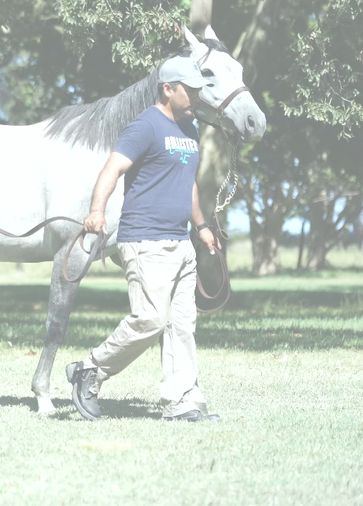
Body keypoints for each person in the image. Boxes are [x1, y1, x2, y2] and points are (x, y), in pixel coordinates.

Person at [66, 56, 222, 422]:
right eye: (191, 90)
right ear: (168, 89)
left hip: (181, 242)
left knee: (181, 325)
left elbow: (189, 184)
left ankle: (181, 402)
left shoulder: (190, 129)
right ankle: (91, 368)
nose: (197, 97)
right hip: (146, 241)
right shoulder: (145, 126)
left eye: (200, 90)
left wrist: (201, 227)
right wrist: (97, 210)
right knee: (150, 319)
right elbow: (112, 168)